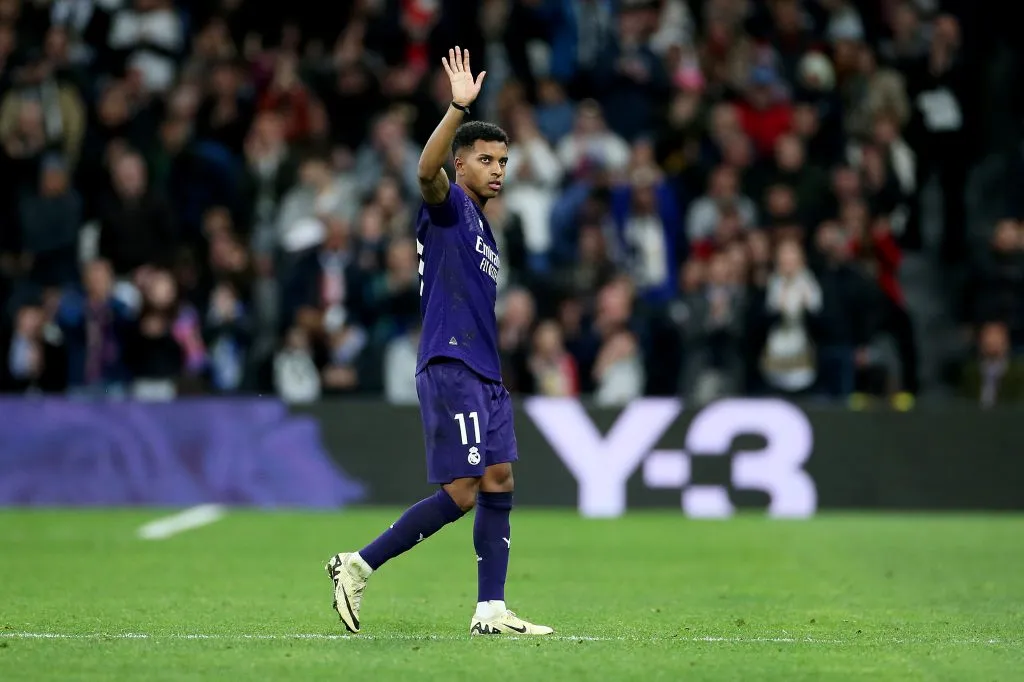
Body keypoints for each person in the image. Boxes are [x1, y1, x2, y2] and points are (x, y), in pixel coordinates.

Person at [325, 47, 553, 637]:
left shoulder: (485, 229)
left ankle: (491, 610)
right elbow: (425, 172)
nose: (498, 168)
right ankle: (357, 565)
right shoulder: (449, 207)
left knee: (499, 478)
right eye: (486, 159)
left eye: (504, 159)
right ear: (462, 162)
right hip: (452, 364)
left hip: (484, 371)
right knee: (461, 492)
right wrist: (456, 107)